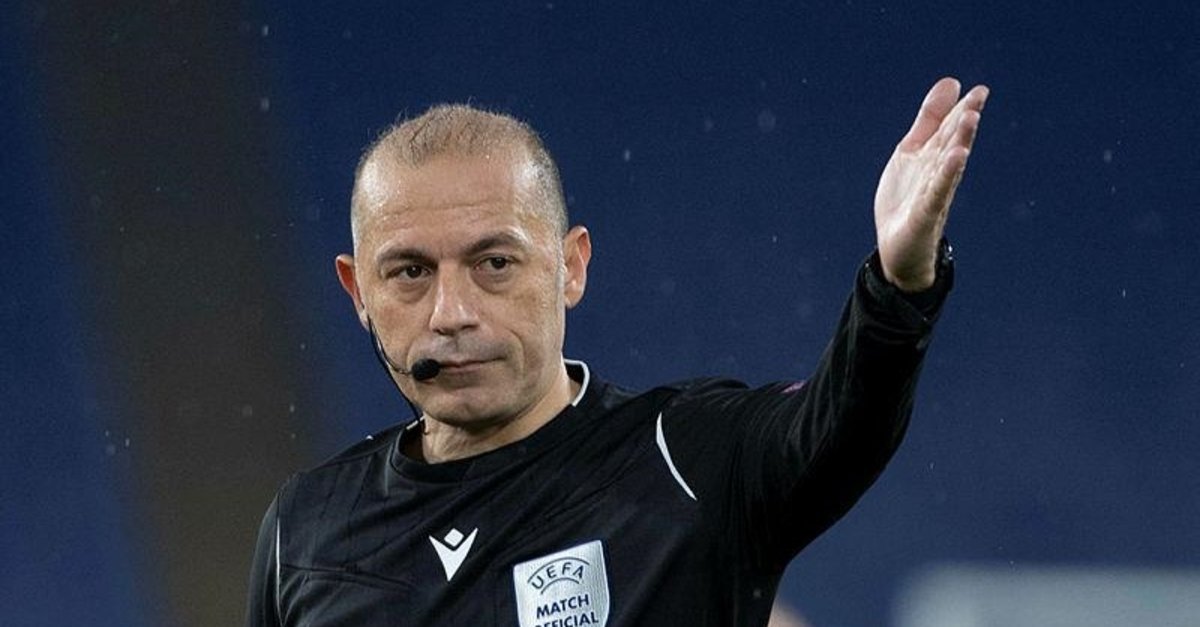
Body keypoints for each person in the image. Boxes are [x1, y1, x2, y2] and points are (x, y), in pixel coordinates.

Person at [246, 77, 988, 626]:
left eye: (494, 263)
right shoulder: (305, 529)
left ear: (571, 267)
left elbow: (841, 423)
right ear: (358, 292)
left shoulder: (688, 459)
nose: (452, 314)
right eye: (410, 272)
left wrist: (898, 285)